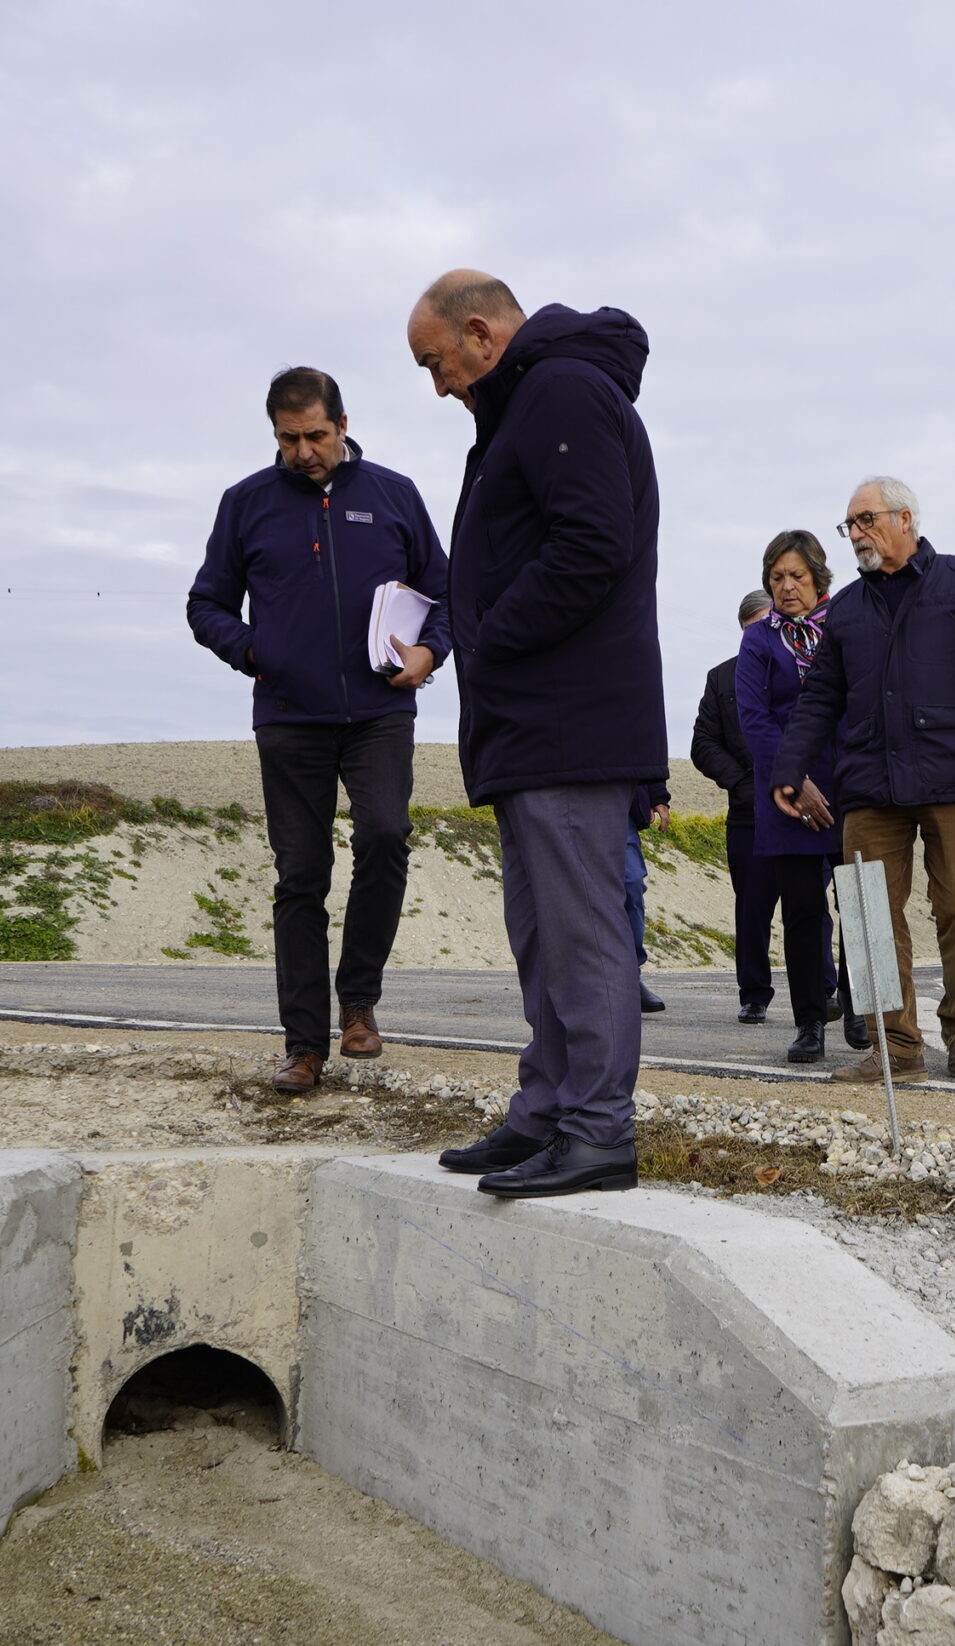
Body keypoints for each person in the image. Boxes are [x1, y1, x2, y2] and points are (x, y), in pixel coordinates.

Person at [405, 270, 664, 1198]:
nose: (436, 386)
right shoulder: (521, 409)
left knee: (584, 936)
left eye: (434, 363)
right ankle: (547, 1112)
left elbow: (590, 545)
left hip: (569, 721)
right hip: (531, 724)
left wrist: (489, 637)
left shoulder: (562, 391)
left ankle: (598, 1131)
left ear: (479, 333)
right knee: (543, 937)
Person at [186, 365, 449, 1093]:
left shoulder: (393, 495)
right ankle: (303, 1046)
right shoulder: (247, 504)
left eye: (316, 436)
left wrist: (430, 651)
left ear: (342, 425)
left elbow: (447, 593)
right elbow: (205, 603)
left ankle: (358, 1002)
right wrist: (251, 651)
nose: (303, 451)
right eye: (288, 438)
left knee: (386, 836)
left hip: (380, 713)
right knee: (301, 877)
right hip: (289, 718)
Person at [771, 477, 955, 1082]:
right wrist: (789, 768)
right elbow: (822, 694)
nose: (856, 534)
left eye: (866, 520)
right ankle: (898, 1047)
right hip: (869, 786)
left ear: (905, 519)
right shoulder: (849, 608)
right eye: (849, 525)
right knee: (868, 918)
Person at [737, 530, 851, 1064]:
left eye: (796, 577)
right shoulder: (759, 641)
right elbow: (754, 718)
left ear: (818, 578)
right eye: (777, 578)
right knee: (804, 912)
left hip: (849, 789)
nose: (786, 587)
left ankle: (862, 1010)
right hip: (786, 796)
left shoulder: (847, 627)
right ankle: (811, 1021)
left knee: (860, 905)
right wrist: (793, 779)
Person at [692, 590, 776, 1022]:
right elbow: (702, 744)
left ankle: (822, 993)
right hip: (747, 816)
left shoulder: (802, 671)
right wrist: (743, 784)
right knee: (752, 909)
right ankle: (754, 995)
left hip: (803, 813)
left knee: (811, 909)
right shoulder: (721, 678)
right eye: (750, 630)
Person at [626, 781, 670, 1013]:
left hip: (620, 805)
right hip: (570, 797)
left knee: (631, 884)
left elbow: (646, 745)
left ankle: (630, 978)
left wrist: (657, 796)